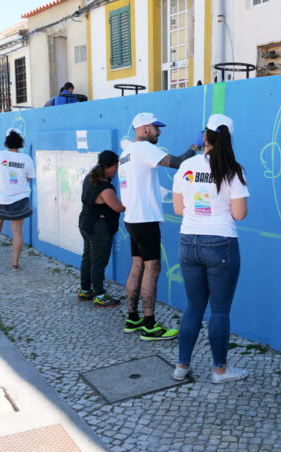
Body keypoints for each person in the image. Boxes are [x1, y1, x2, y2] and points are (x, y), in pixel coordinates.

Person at [171, 114, 249, 383]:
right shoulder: (232, 170)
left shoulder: (186, 167)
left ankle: (181, 367)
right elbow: (239, 214)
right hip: (220, 243)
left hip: (188, 241)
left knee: (193, 307)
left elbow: (178, 209)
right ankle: (219, 370)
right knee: (219, 310)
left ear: (205, 137)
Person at [119, 112, 200, 341]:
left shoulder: (124, 154)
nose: (159, 131)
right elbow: (177, 163)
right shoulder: (144, 149)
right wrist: (195, 146)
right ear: (144, 129)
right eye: (156, 127)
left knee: (137, 266)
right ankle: (150, 325)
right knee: (152, 268)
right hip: (145, 219)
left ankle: (132, 317)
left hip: (132, 218)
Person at [0, 128, 35, 272]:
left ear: (6, 140)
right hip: (20, 199)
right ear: (21, 141)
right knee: (17, 231)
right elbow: (28, 178)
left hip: (1, 199)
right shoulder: (26, 159)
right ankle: (15, 263)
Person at [78, 150, 125, 307]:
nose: (117, 170)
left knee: (88, 257)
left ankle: (85, 290)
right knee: (99, 261)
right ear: (107, 167)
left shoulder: (90, 177)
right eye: (115, 167)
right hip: (99, 228)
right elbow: (118, 207)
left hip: (86, 224)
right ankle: (100, 295)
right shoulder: (105, 187)